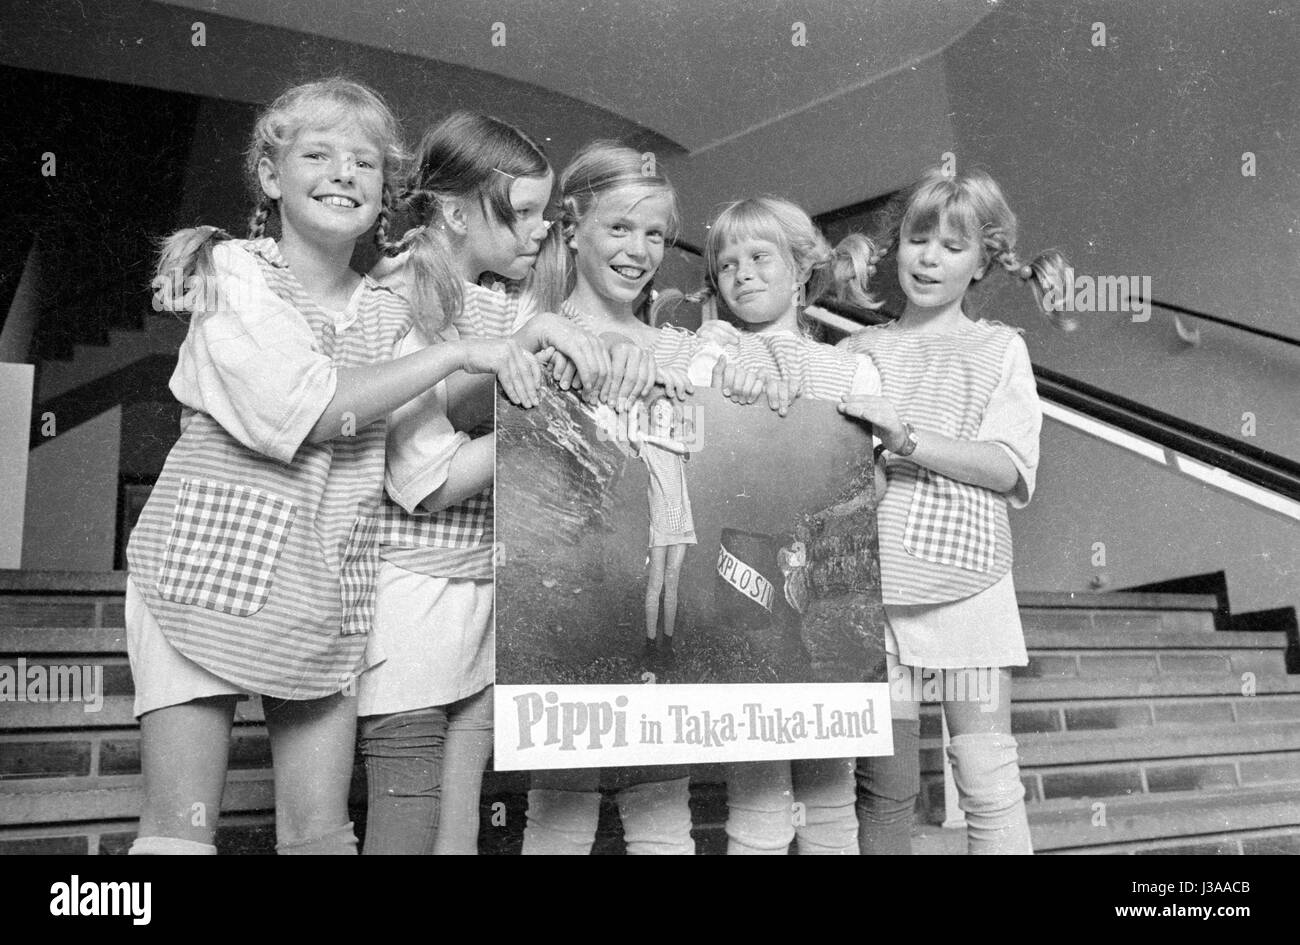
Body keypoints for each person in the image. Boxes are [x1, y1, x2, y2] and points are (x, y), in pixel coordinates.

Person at [125, 78, 560, 855]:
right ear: (269, 176)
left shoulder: (393, 313)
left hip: (322, 585)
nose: (342, 173)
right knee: (180, 834)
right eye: (317, 154)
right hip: (200, 573)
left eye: (364, 163)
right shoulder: (234, 274)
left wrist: (538, 394)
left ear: (386, 191)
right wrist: (459, 350)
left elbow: (422, 458)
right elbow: (316, 408)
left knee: (322, 834)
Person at [359, 111, 607, 854]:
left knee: (459, 825)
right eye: (522, 212)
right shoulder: (400, 290)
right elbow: (421, 478)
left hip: (480, 587)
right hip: (408, 590)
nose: (541, 230)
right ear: (457, 210)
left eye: (544, 211)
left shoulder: (497, 300)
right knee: (406, 813)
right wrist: (546, 432)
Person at [838, 166, 1069, 854]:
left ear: (982, 263)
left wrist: (905, 438)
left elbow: (1007, 466)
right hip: (878, 590)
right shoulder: (855, 351)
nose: (929, 257)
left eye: (952, 245)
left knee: (988, 778)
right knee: (884, 788)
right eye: (917, 239)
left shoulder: (999, 348)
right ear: (896, 248)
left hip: (971, 585)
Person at [699, 195, 884, 854]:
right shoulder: (710, 353)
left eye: (759, 256)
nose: (742, 273)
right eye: (726, 265)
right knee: (756, 790)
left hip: (830, 573)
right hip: (744, 568)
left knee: (831, 793)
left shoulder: (850, 368)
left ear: (802, 267)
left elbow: (874, 478)